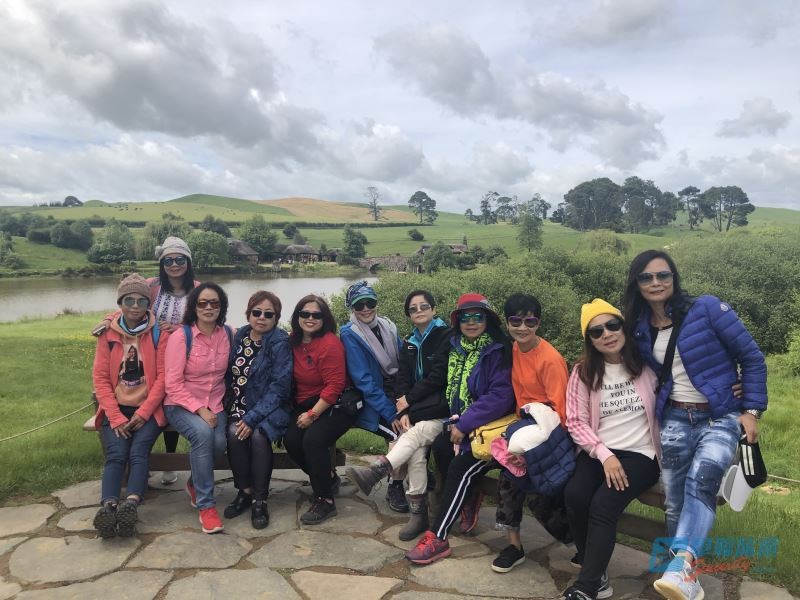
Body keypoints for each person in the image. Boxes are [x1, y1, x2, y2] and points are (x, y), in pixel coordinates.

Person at [623, 250, 767, 600]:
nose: (656, 282)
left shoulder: (707, 309)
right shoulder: (638, 327)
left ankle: (681, 568)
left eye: (663, 275)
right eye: (647, 277)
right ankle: (684, 577)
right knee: (674, 501)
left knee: (703, 479)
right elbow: (624, 362)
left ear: (673, 278)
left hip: (721, 415)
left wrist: (751, 409)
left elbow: (751, 357)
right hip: (675, 418)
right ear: (636, 284)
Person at [560, 299, 661, 600]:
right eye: (596, 331)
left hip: (641, 453)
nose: (607, 334)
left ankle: (587, 586)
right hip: (599, 450)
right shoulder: (583, 372)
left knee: (604, 505)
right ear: (589, 340)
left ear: (623, 327)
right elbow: (575, 421)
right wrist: (604, 454)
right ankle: (597, 572)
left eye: (612, 325)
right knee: (575, 495)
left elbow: (683, 381)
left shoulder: (646, 365)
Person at [406, 293, 515, 565]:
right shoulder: (457, 347)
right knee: (442, 447)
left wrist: (465, 424)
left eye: (478, 317)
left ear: (488, 321)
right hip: (464, 422)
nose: (471, 322)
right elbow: (449, 386)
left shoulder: (497, 351)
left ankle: (438, 537)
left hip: (492, 430)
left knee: (459, 467)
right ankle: (467, 497)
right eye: (465, 318)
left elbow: (500, 396)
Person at [91, 235, 199, 485]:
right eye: (168, 260)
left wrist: (178, 329)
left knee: (172, 404)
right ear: (161, 263)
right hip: (152, 350)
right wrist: (108, 320)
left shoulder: (197, 288)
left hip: (187, 355)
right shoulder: (152, 286)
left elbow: (206, 320)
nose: (174, 265)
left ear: (188, 261)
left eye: (180, 259)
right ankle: (140, 461)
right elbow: (129, 303)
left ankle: (169, 460)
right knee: (155, 396)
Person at [346, 289, 451, 540]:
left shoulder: (445, 336)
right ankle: (418, 514)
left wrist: (407, 404)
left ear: (434, 309)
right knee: (415, 449)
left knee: (410, 435)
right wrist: (403, 409)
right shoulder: (409, 342)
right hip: (413, 408)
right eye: (413, 309)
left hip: (442, 410)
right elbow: (402, 377)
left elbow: (439, 377)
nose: (419, 311)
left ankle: (379, 472)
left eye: (424, 306)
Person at [492, 293, 569, 573]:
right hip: (521, 428)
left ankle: (581, 546)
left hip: (550, 432)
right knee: (509, 478)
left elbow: (562, 412)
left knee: (538, 491)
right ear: (507, 323)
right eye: (516, 321)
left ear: (539, 323)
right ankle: (514, 546)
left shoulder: (549, 360)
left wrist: (532, 450)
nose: (522, 328)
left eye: (530, 322)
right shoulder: (513, 349)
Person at [91, 273, 167, 538]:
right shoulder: (108, 334)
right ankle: (108, 507)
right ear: (120, 303)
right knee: (116, 454)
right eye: (129, 300)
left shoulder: (159, 333)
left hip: (149, 410)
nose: (135, 306)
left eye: (141, 301)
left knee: (138, 452)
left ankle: (131, 504)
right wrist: (115, 417)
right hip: (117, 409)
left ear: (148, 303)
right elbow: (101, 379)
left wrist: (144, 413)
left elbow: (163, 378)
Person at [164, 282, 232, 534]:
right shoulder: (181, 337)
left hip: (216, 403)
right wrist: (199, 410)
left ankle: (194, 483)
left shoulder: (228, 334)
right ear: (194, 307)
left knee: (219, 443)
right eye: (202, 303)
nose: (208, 307)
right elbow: (172, 384)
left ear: (221, 307)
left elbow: (258, 332)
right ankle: (206, 506)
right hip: (181, 404)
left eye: (214, 303)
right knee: (203, 435)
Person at [224, 291, 292, 530]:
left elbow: (280, 387)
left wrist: (253, 417)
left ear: (276, 318)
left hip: (271, 407)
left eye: (268, 314)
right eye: (257, 312)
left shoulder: (280, 342)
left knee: (257, 436)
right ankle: (245, 491)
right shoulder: (240, 335)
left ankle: (260, 500)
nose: (261, 317)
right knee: (234, 434)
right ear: (249, 314)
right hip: (240, 404)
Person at [339, 281, 408, 512]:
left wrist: (405, 399)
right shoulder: (350, 334)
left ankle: (406, 475)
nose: (366, 308)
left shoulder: (389, 326)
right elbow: (364, 381)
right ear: (352, 308)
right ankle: (395, 486)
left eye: (370, 302)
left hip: (397, 394)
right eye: (360, 305)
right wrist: (391, 413)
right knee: (401, 433)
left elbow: (402, 364)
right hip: (372, 403)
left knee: (417, 425)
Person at [283, 295, 350, 525]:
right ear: (297, 317)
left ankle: (325, 499)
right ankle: (328, 478)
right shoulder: (293, 340)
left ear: (325, 318)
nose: (310, 318)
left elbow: (335, 386)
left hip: (335, 404)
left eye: (316, 315)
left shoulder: (330, 344)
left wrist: (312, 415)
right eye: (305, 314)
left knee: (313, 440)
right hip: (304, 402)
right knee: (291, 441)